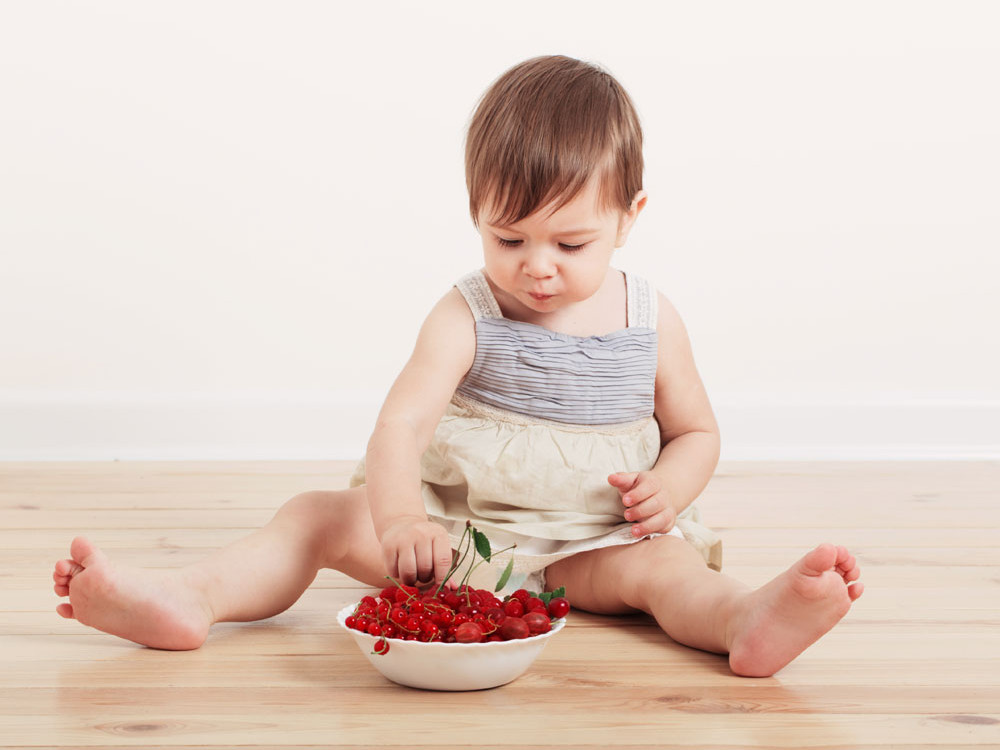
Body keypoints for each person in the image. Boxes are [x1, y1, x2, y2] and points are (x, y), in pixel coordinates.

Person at [51, 55, 862, 677]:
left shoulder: (651, 320)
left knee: (669, 571)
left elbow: (698, 431)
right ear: (476, 213)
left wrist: (673, 489)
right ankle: (192, 598)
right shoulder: (467, 313)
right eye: (508, 238)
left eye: (570, 244)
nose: (536, 267)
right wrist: (402, 522)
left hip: (594, 547)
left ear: (628, 218)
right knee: (314, 515)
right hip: (457, 541)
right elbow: (400, 424)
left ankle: (744, 623)